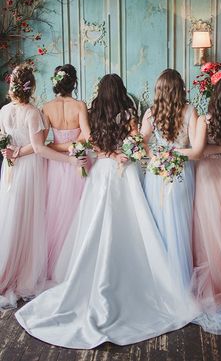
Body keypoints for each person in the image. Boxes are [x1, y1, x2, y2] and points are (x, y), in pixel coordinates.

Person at [15, 73, 202, 349]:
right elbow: (137, 141)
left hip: (102, 172)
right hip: (123, 172)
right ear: (121, 91)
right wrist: (123, 154)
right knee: (131, 225)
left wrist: (112, 154)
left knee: (97, 225)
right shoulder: (129, 112)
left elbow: (93, 144)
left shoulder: (92, 111)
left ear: (100, 92)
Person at [0, 64, 84, 309]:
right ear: (31, 86)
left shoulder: (4, 111)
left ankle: (8, 266)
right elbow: (38, 148)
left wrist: (11, 151)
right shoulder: (33, 112)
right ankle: (22, 272)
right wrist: (69, 159)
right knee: (27, 217)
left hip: (10, 167)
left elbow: (3, 141)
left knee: (10, 215)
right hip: (28, 169)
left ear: (11, 85)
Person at [141, 69, 198, 290]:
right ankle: (178, 282)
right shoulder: (190, 111)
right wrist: (175, 154)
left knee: (160, 222)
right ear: (179, 88)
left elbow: (142, 141)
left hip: (157, 172)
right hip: (181, 171)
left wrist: (155, 156)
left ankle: (161, 280)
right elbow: (194, 149)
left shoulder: (151, 112)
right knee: (179, 225)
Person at [191, 76, 221, 312]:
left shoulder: (204, 120)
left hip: (209, 174)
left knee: (211, 226)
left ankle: (220, 278)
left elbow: (199, 152)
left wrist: (220, 149)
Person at [42, 64, 91, 281]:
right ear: (74, 82)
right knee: (77, 212)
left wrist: (58, 146)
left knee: (55, 211)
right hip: (77, 161)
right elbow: (87, 136)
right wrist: (72, 147)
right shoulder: (80, 105)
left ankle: (57, 267)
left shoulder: (46, 107)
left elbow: (43, 142)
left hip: (56, 164)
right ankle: (75, 264)